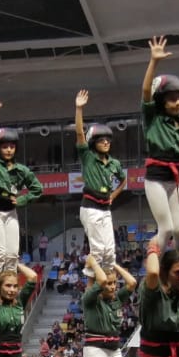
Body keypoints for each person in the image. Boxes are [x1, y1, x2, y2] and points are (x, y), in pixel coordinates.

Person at [138, 34, 179, 254]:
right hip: (155, 179)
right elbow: (146, 92)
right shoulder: (152, 119)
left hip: (174, 180)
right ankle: (156, 268)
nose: (177, 103)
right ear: (162, 101)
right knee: (165, 228)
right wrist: (154, 61)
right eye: (171, 99)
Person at [0, 125, 41, 286]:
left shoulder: (22, 170)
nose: (8, 150)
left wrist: (21, 200)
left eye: (11, 147)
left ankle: (10, 287)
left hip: (10, 212)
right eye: (4, 146)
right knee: (0, 253)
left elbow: (37, 189)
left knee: (12, 254)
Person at [71, 91, 124, 278]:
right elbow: (79, 133)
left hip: (105, 208)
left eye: (108, 139)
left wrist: (113, 195)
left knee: (110, 252)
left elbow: (124, 181)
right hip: (90, 207)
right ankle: (91, 286)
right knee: (99, 250)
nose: (106, 142)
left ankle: (108, 289)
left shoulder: (114, 163)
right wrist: (79, 108)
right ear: (94, 142)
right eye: (101, 140)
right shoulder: (88, 157)